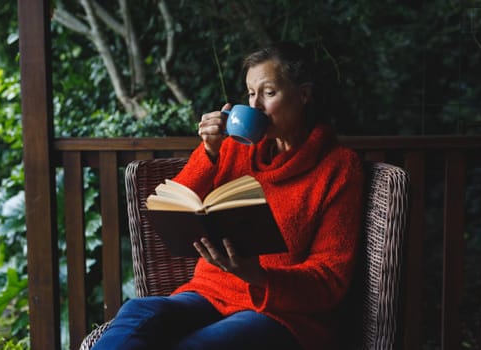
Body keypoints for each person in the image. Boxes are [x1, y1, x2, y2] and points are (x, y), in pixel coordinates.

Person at [91, 42, 364, 350]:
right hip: (209, 292)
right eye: (250, 93)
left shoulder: (339, 167)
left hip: (282, 314)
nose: (255, 105)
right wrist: (208, 151)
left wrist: (260, 276)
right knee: (136, 313)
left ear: (303, 95)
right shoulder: (235, 147)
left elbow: (331, 279)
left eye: (268, 92)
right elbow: (175, 201)